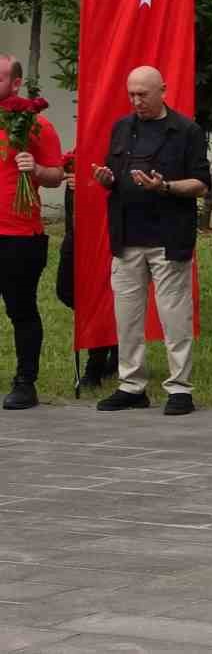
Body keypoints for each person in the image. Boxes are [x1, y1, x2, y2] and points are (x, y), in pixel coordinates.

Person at [91, 66, 211, 415]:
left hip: (168, 238)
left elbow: (201, 184)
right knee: (127, 317)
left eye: (143, 94)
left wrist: (165, 186)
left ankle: (180, 388)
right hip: (127, 237)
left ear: (163, 90)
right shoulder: (122, 128)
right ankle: (131, 385)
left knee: (174, 317)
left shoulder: (186, 131)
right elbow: (116, 176)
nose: (136, 101)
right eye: (131, 94)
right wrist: (107, 179)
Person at [0, 55, 65, 410]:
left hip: (19, 236)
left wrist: (35, 168)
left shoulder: (37, 127)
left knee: (20, 309)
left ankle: (26, 382)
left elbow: (56, 175)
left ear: (15, 84)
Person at [55, 150, 120, 394]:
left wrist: (88, 183)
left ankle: (95, 367)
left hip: (103, 233)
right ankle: (115, 340)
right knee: (66, 290)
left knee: (96, 298)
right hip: (76, 233)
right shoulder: (82, 145)